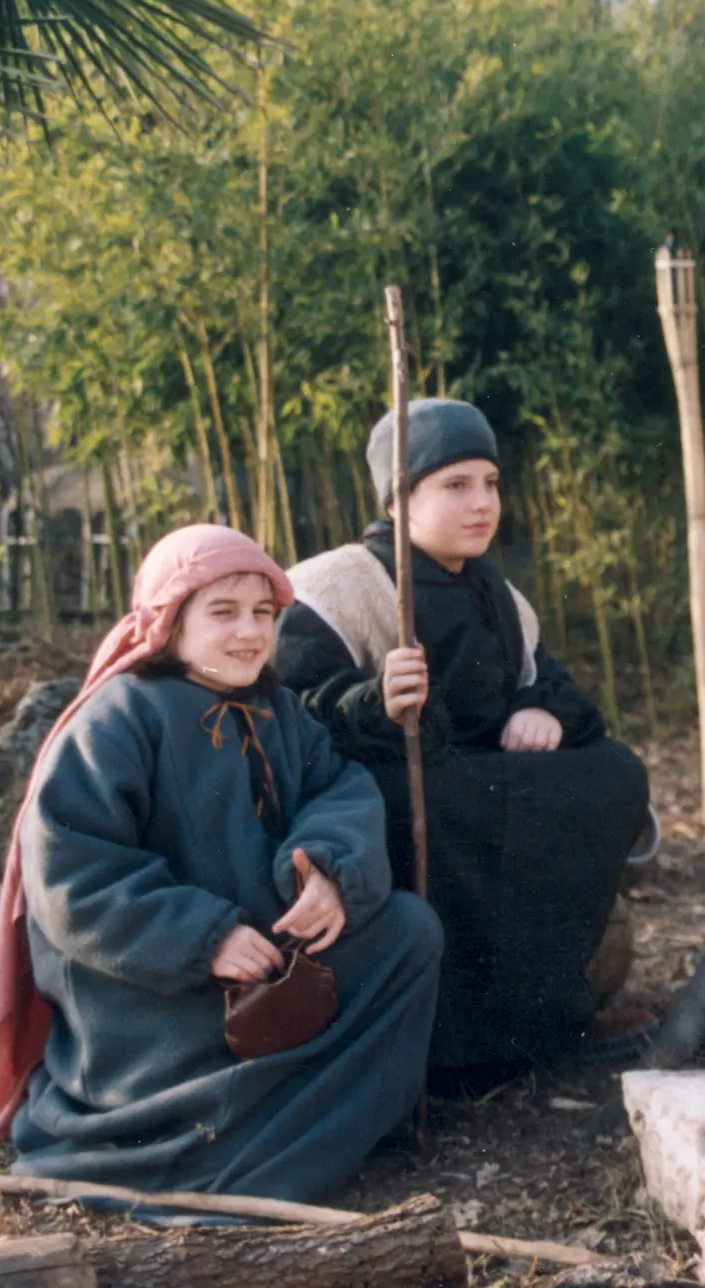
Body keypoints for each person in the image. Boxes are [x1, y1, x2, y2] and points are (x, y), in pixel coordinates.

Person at [0, 525, 442, 1202]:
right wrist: (207, 936)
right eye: (222, 613)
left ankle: (302, 1131)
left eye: (263, 613)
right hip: (154, 999)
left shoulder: (278, 709)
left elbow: (338, 790)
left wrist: (330, 873)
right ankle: (260, 1154)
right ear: (170, 623)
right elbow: (74, 876)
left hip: (266, 967)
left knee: (408, 931)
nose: (249, 632)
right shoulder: (117, 719)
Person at [273, 399, 655, 1081]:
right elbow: (289, 711)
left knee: (615, 774)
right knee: (430, 803)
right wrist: (373, 700)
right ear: (398, 500)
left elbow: (557, 685)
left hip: (488, 780)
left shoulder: (498, 595)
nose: (483, 503)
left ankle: (550, 1013)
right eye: (455, 485)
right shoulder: (337, 586)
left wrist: (543, 711)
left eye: (491, 483)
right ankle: (450, 1047)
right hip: (394, 795)